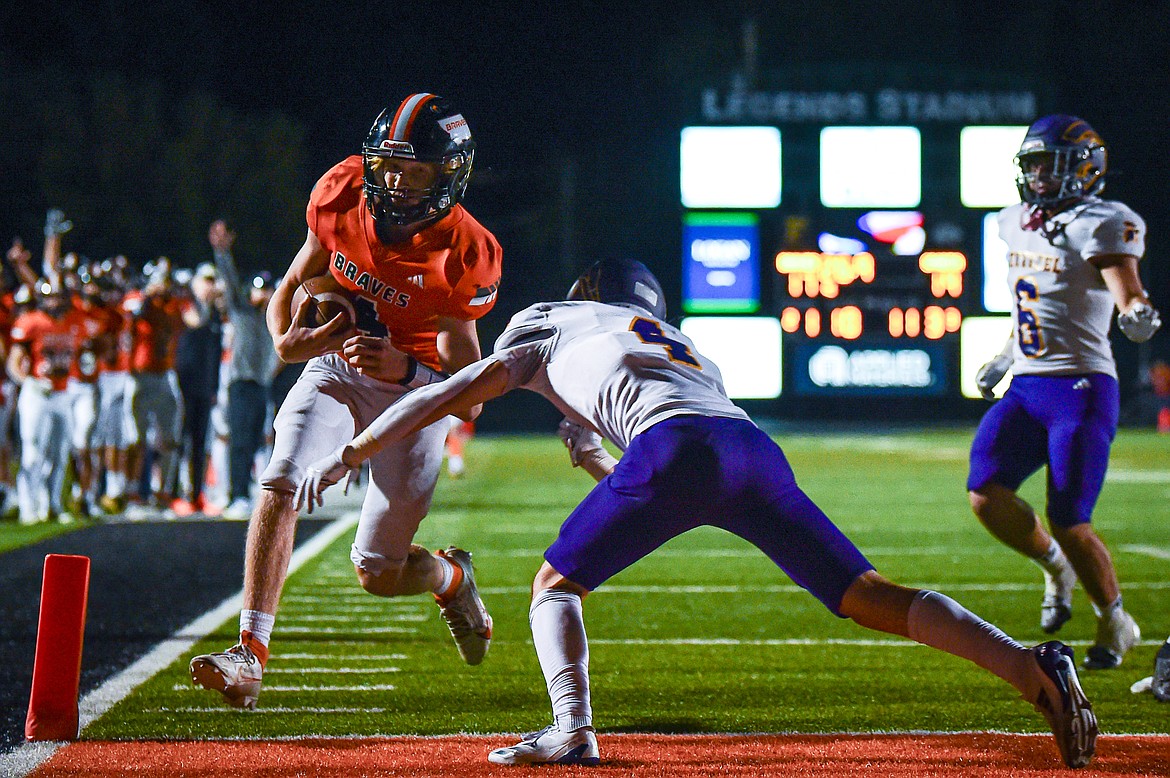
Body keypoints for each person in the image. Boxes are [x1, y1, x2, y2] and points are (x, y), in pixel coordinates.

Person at [293, 258, 1099, 770]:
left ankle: (571, 730)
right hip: (749, 447)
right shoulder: (677, 342)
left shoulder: (550, 321)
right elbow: (625, 453)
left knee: (553, 586)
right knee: (865, 594)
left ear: (585, 295)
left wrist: (354, 451)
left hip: (675, 450)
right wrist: (597, 460)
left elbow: (448, 392)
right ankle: (1029, 666)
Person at [189, 92, 503, 710]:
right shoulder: (340, 192)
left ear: (448, 176)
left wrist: (409, 366)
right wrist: (288, 338)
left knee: (377, 574)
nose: (397, 183)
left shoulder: (464, 249)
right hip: (336, 367)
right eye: (389, 166)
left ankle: (451, 577)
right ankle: (249, 655)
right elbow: (295, 283)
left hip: (417, 394)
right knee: (282, 477)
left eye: (416, 172)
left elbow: (471, 400)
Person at [970, 114, 1159, 671]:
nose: (1036, 177)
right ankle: (1056, 569)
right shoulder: (1014, 221)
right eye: (1030, 165)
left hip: (1080, 386)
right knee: (985, 492)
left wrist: (1137, 314)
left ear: (1083, 167)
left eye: (1046, 165)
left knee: (1070, 517)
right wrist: (1006, 356)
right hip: (1029, 384)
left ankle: (1115, 618)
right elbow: (1029, 304)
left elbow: (1129, 292)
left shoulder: (1103, 222)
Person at [207, 219, 280, 520]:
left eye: (267, 290)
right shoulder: (242, 313)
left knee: (255, 442)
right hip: (240, 384)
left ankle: (249, 491)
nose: (261, 295)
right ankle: (236, 494)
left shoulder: (275, 320)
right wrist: (222, 254)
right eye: (257, 290)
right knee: (239, 440)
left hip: (261, 386)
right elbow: (231, 283)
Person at [173, 262, 226, 516]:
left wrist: (214, 385)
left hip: (204, 385)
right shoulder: (188, 305)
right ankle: (174, 493)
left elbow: (215, 353)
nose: (211, 286)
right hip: (182, 383)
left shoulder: (215, 313)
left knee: (199, 442)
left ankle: (196, 493)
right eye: (206, 280)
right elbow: (194, 322)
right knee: (178, 440)